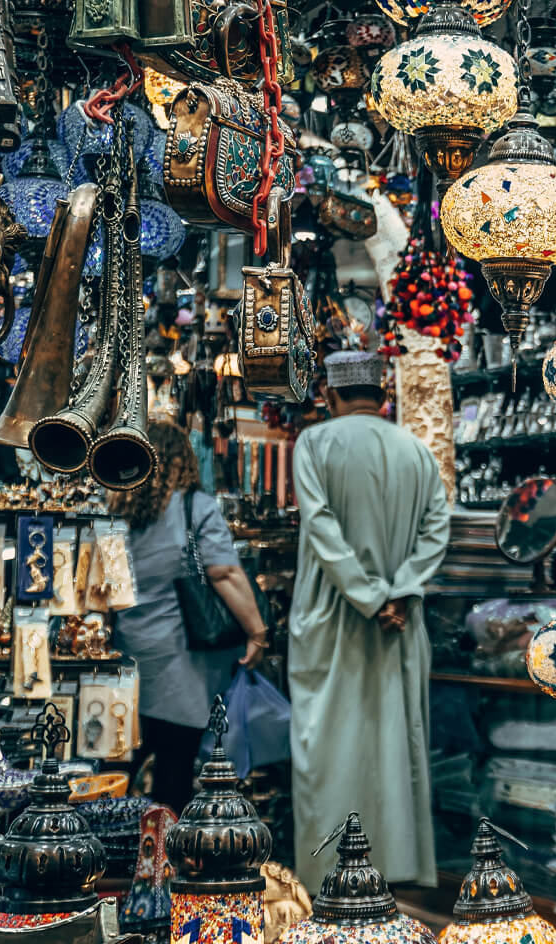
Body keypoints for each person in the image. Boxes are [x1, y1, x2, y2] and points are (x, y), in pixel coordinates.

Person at [289, 350, 451, 890]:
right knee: (392, 746)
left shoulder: (314, 444)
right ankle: (393, 872)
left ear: (330, 395)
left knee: (329, 750)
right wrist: (399, 593)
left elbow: (320, 527)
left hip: (334, 619)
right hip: (398, 624)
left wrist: (370, 597)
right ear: (383, 395)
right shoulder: (416, 451)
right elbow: (437, 530)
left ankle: (329, 878)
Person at [109, 420, 269, 813]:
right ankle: (163, 846)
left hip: (126, 658)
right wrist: (257, 631)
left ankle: (119, 840)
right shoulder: (195, 507)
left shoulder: (116, 511)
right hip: (180, 666)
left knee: (119, 772)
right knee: (175, 773)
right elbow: (224, 572)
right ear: (183, 460)